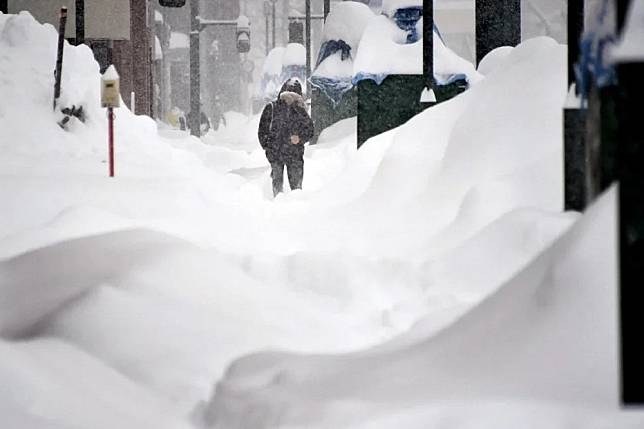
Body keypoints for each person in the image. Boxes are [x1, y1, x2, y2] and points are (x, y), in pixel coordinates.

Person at [258, 78, 314, 197]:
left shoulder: (301, 111)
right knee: (277, 188)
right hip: (276, 154)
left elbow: (310, 131)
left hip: (295, 155)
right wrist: (268, 148)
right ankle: (277, 207)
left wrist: (300, 138)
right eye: (287, 95)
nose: (290, 99)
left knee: (297, 190)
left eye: (293, 96)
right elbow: (262, 130)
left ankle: (295, 206)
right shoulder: (272, 108)